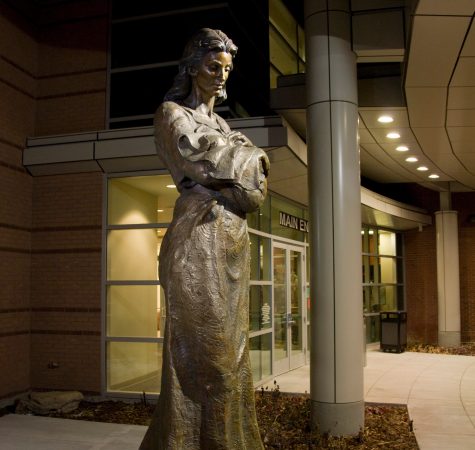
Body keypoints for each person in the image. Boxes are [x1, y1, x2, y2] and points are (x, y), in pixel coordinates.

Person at [139, 28, 269, 449]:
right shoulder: (172, 114)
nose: (220, 76)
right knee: (207, 355)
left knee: (232, 356)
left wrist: (240, 163)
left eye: (226, 69)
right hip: (198, 241)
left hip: (231, 243)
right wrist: (245, 157)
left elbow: (252, 191)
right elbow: (205, 161)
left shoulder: (221, 123)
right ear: (193, 67)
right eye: (213, 66)